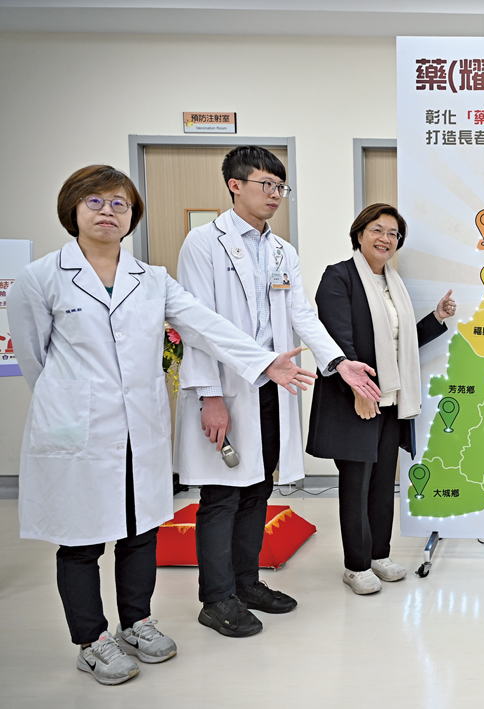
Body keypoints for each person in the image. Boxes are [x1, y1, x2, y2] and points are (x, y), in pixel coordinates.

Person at [8, 165, 317, 685]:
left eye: (119, 203)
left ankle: (137, 623)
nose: (108, 212)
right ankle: (92, 640)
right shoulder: (40, 278)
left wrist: (265, 361)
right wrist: (74, 402)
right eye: (95, 201)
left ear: (132, 216)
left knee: (140, 530)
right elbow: (35, 359)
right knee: (82, 541)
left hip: (141, 427)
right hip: (79, 430)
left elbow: (204, 325)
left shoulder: (151, 279)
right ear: (72, 209)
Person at [174, 146, 380, 637]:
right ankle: (216, 598)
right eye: (265, 184)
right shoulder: (203, 243)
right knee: (222, 496)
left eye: (280, 187)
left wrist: (338, 362)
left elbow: (301, 314)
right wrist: (209, 395)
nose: (274, 195)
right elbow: (195, 325)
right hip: (225, 387)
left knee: (259, 488)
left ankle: (246, 583)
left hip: (272, 386)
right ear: (235, 185)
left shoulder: (283, 251)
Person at [306, 203, 455, 594]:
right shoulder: (339, 277)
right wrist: (359, 390)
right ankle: (356, 566)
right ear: (359, 234)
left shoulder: (393, 283)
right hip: (354, 399)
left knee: (383, 482)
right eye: (377, 229)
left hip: (391, 400)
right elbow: (338, 340)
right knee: (356, 484)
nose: (385, 238)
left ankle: (379, 555)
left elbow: (399, 344)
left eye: (393, 233)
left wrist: (436, 318)